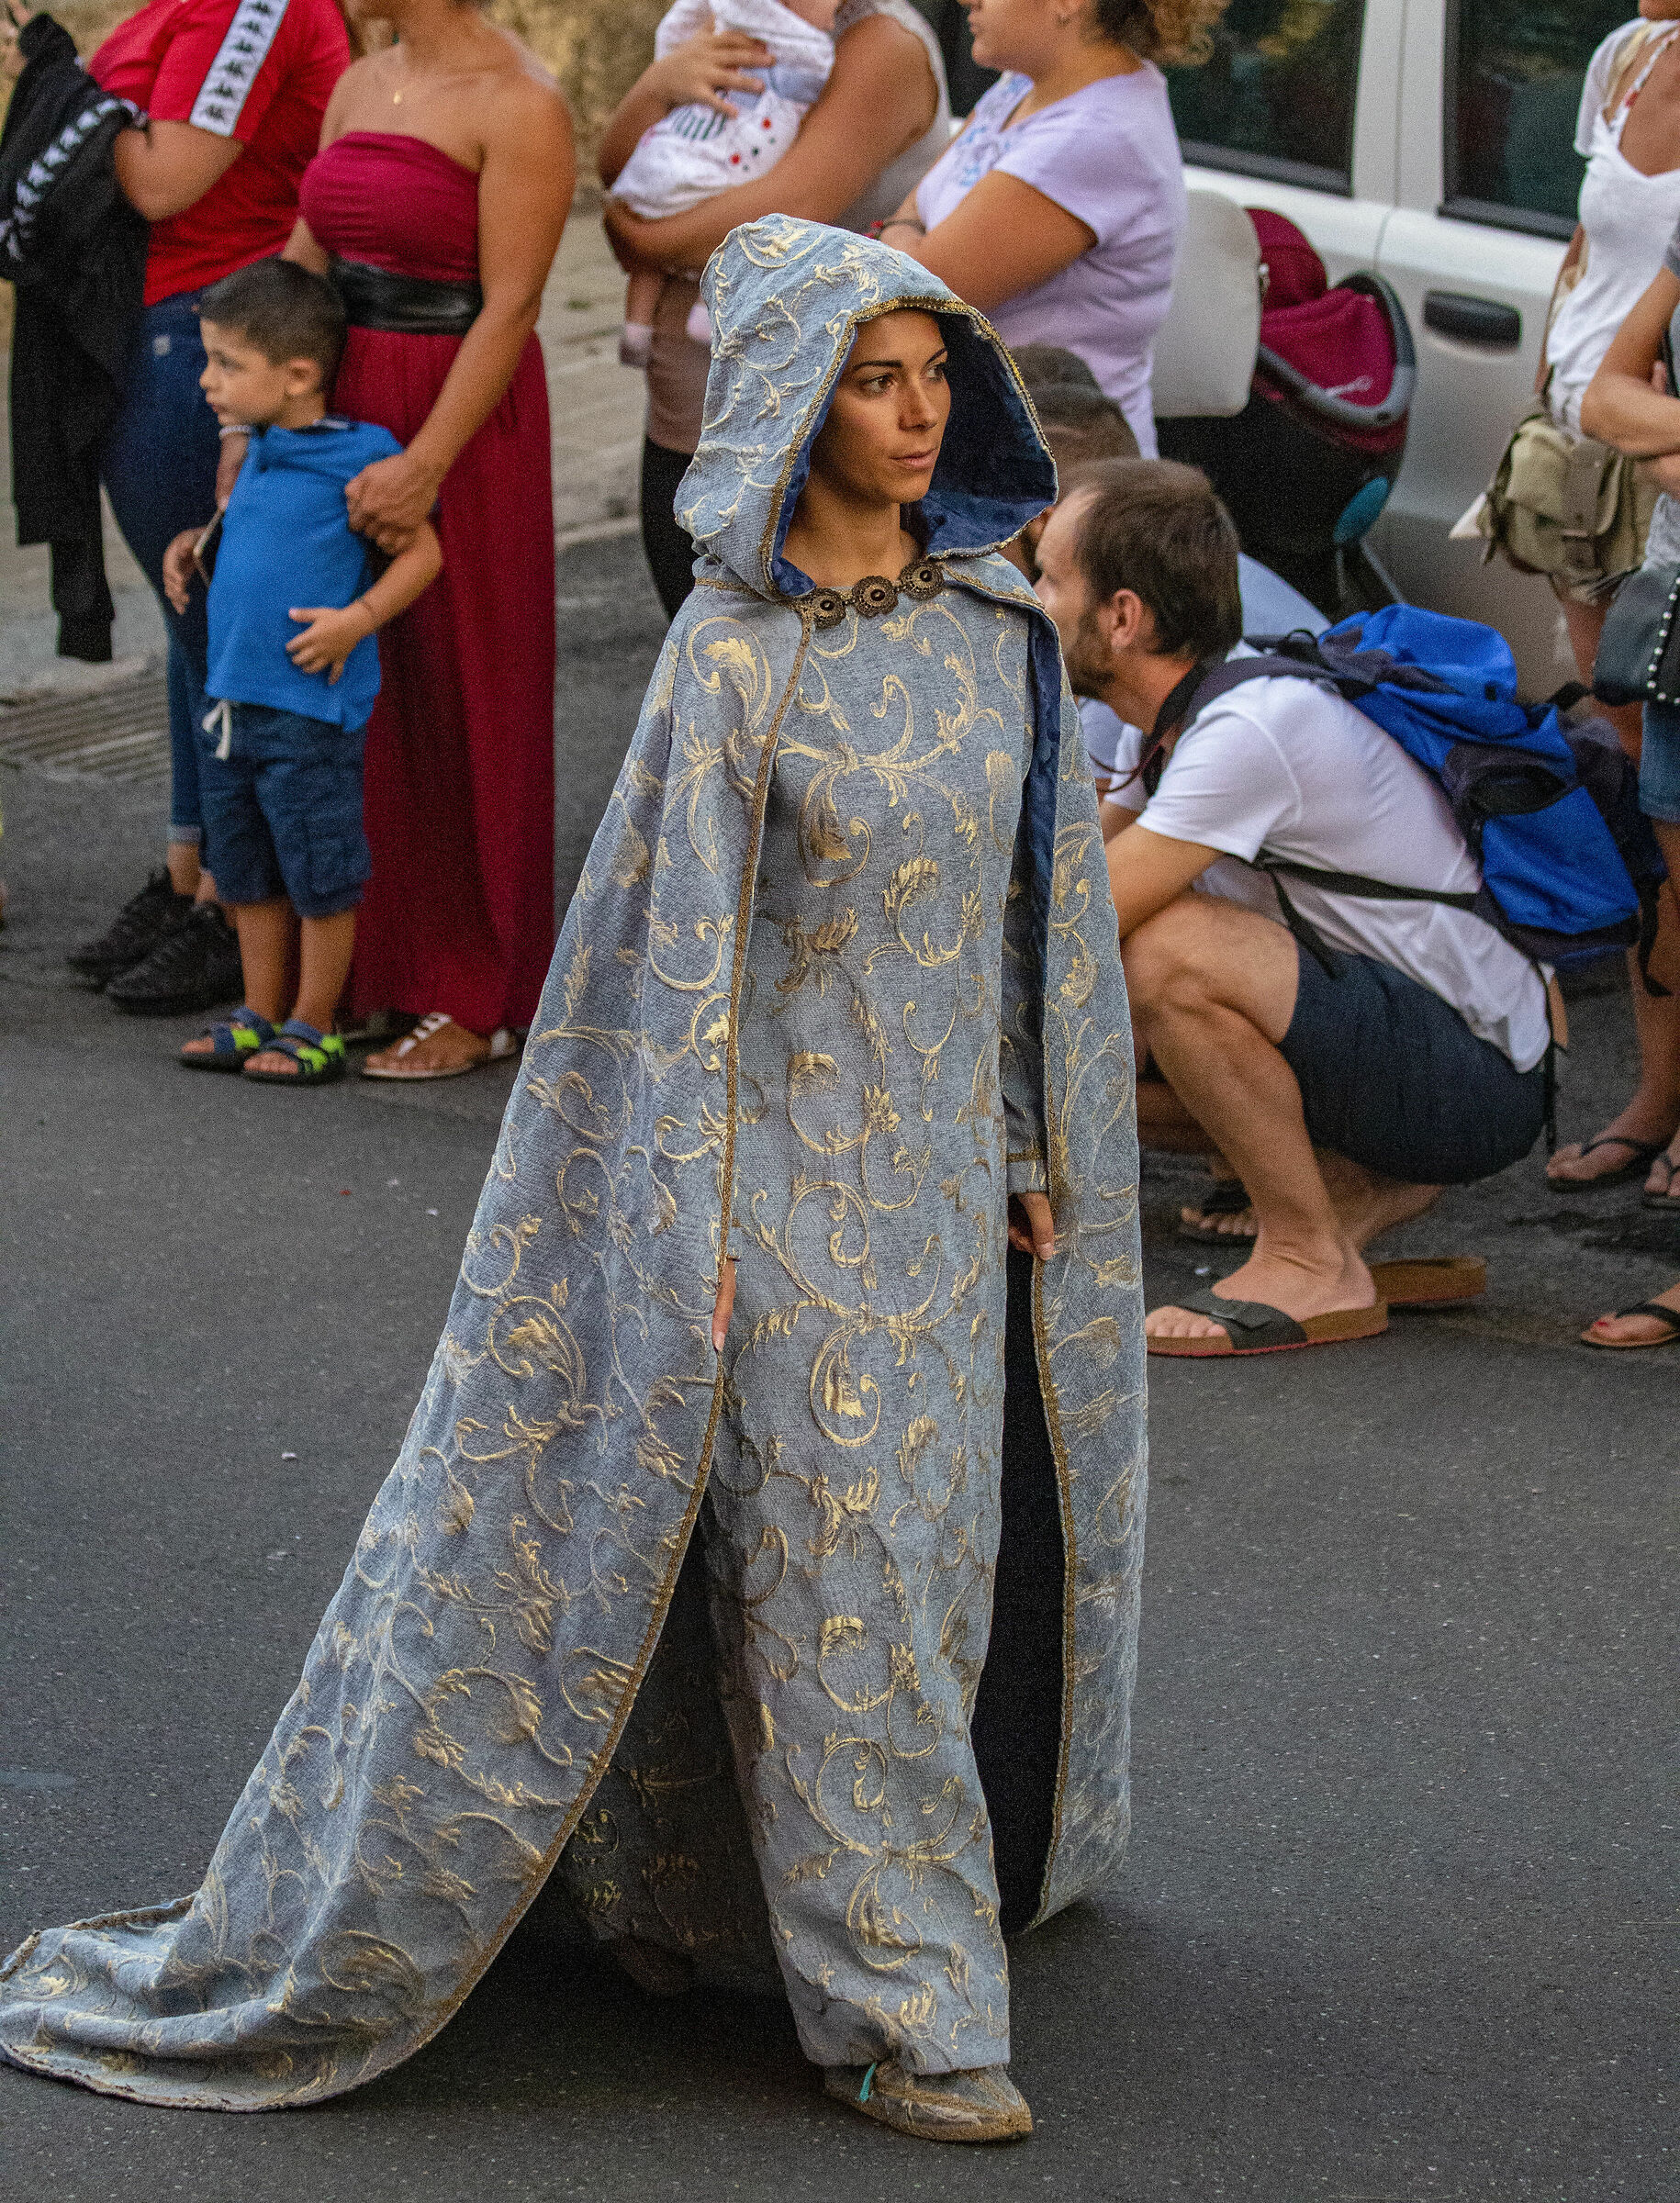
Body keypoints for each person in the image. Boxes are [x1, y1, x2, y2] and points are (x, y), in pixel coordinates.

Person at [0, 216, 1147, 2146]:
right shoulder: (733, 662)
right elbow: (649, 977)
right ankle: (909, 2011)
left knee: (904, 1567)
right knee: (828, 1551)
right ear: (792, 403)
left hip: (947, 1195)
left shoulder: (1004, 635)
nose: (916, 412)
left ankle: (673, 1898)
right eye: (874, 380)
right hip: (762, 1182)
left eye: (935, 376)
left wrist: (1041, 1146)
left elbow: (1047, 932)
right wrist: (664, 1221)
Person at [1035, 458, 1551, 1355]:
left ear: (1122, 617)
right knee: (1069, 1050)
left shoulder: (1250, 731)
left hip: (1472, 1080)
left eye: (1047, 578)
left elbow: (1075, 924)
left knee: (1168, 954)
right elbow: (1061, 877)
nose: (1026, 598)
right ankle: (1347, 1200)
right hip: (1413, 1043)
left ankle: (1313, 1260)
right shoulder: (1158, 713)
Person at [15, 0, 353, 1015]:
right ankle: (187, 872)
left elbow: (165, 181)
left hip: (211, 332)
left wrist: (56, 83)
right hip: (154, 332)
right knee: (190, 630)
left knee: (218, 635)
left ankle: (232, 904)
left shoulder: (259, 6)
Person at [280, 0, 574, 1081]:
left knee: (466, 693)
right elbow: (308, 258)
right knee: (363, 689)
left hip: (459, 414)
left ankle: (479, 992)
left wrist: (427, 464)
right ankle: (375, 967)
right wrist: (258, 421)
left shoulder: (521, 102)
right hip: (342, 400)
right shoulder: (361, 80)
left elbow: (511, 305)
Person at [1475, 4, 1680, 1196]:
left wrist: (1637, 424)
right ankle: (1656, 1096)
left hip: (1645, 475)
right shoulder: (1624, 53)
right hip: (1605, 476)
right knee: (1654, 812)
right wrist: (1561, 401)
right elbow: (1588, 270)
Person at [162, 261, 442, 1084]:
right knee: (245, 869)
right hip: (233, 706)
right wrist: (195, 545)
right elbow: (248, 536)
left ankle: (315, 1024)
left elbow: (422, 554)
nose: (207, 381)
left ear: (297, 376)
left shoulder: (359, 457)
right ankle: (259, 1013)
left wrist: (357, 621)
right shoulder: (262, 452)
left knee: (319, 871)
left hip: (308, 711)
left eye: (226, 365)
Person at [600, 0, 951, 619]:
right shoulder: (739, 18)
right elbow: (617, 165)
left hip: (797, 444)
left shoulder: (882, 46)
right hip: (689, 414)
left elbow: (781, 213)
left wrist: (636, 237)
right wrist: (657, 89)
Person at [878, 0, 1223, 459]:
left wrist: (898, 240)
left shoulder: (1095, 134)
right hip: (989, 446)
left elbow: (914, 295)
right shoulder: (1024, 85)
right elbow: (912, 214)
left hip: (1051, 474)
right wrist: (906, 236)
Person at [1572, 205, 1680, 1344]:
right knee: (1676, 899)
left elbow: (1636, 413)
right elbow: (1605, 400)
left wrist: (1661, 433)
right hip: (1679, 617)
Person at [609, 0, 835, 368]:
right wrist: (663, 76)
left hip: (687, 145)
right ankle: (665, 320)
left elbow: (677, 24)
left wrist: (627, 230)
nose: (837, 8)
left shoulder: (874, 41)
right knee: (719, 211)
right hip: (718, 153)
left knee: (696, 212)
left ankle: (639, 326)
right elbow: (610, 162)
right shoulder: (798, 43)